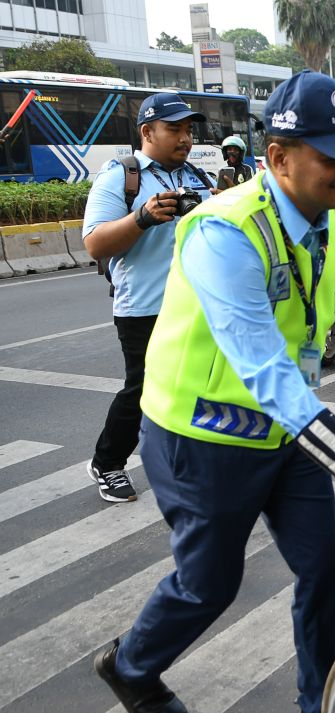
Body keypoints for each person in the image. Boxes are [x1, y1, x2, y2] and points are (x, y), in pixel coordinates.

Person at [93, 70, 335, 713]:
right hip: (202, 437)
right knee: (209, 584)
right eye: (330, 155)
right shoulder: (223, 231)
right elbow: (265, 370)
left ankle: (319, 709)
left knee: (320, 573)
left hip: (290, 432)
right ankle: (129, 663)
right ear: (278, 158)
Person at [81, 92, 214, 503]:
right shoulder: (121, 177)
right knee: (142, 390)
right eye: (174, 129)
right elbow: (94, 245)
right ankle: (108, 462)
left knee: (199, 386)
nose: (185, 138)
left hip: (197, 306)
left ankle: (189, 459)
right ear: (147, 132)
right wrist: (141, 217)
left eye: (188, 130)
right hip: (144, 306)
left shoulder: (197, 178)